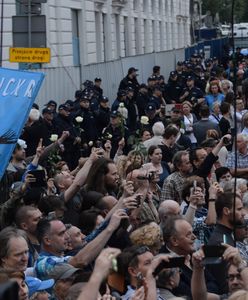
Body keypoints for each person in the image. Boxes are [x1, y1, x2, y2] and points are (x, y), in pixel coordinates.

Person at [35, 209, 128, 280]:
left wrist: (123, 201)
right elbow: (80, 261)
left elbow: (98, 231)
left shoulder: (63, 258)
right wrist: (110, 228)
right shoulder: (44, 263)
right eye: (61, 233)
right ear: (47, 240)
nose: (67, 237)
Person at [207, 192, 245, 294]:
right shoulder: (222, 242)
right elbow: (225, 283)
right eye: (239, 209)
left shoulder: (228, 234)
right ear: (226, 211)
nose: (243, 213)